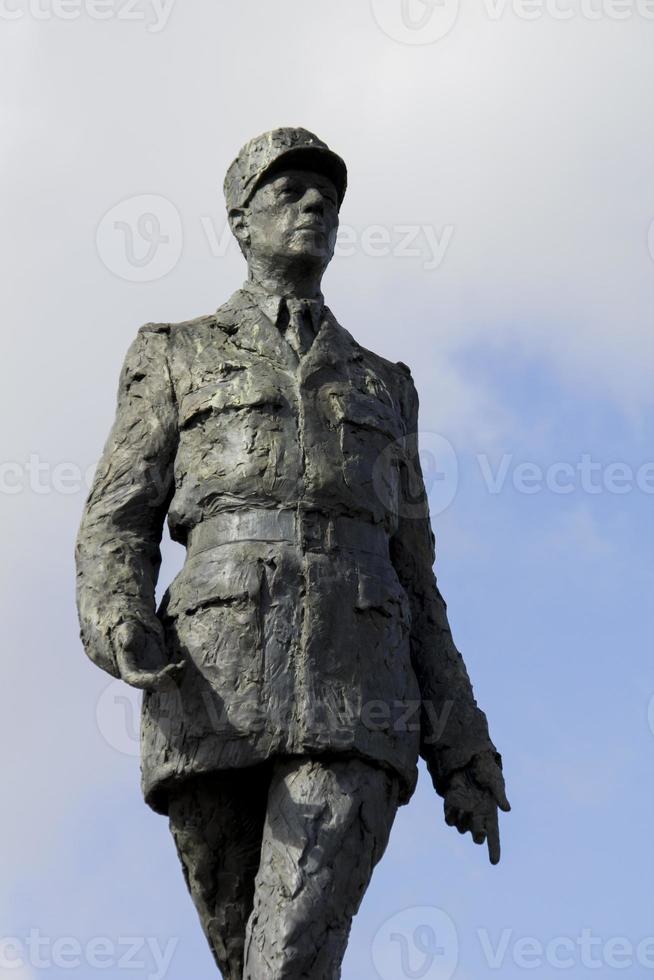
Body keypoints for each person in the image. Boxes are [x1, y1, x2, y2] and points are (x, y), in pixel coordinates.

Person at [75, 126, 510, 979]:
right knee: (254, 963)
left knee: (288, 956)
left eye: (328, 197)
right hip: (207, 690)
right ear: (242, 222)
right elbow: (117, 520)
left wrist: (463, 748)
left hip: (358, 696)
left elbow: (417, 579)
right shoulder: (174, 351)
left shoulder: (386, 383)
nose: (315, 205)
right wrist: (117, 617)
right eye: (290, 192)